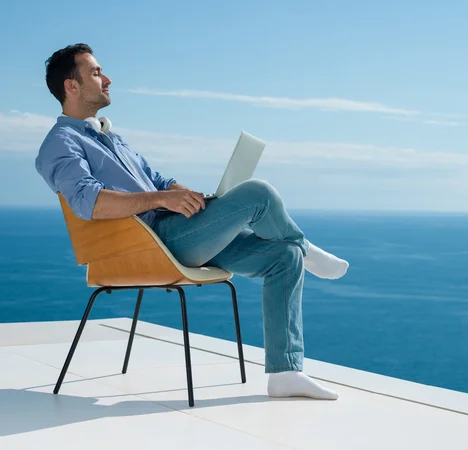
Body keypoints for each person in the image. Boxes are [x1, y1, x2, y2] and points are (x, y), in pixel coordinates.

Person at [35, 44, 349, 400]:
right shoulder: (61, 143)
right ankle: (306, 248)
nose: (107, 79)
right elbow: (86, 201)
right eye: (95, 73)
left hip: (181, 231)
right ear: (71, 87)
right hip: (152, 244)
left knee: (283, 258)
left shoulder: (111, 137)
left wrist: (184, 194)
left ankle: (285, 373)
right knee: (258, 193)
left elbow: (157, 179)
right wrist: (159, 199)